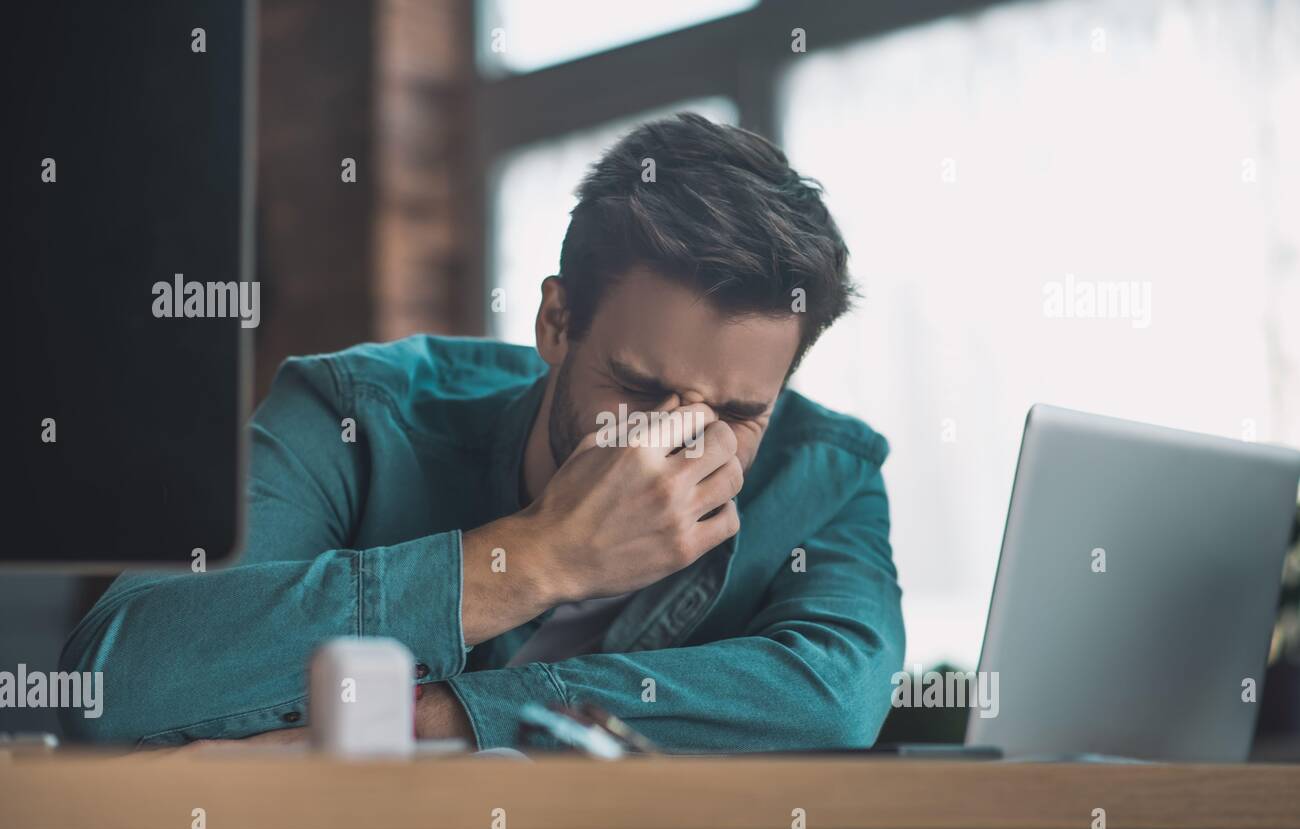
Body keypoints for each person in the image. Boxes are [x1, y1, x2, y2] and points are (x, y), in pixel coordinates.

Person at [62, 113, 905, 766]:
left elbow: (834, 700)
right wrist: (535, 557)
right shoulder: (356, 413)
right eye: (643, 389)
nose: (679, 442)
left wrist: (424, 722)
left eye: (738, 413)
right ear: (556, 320)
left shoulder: (826, 475)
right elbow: (110, 686)